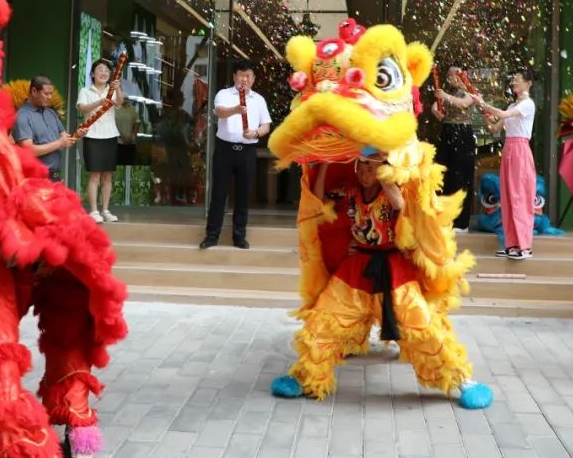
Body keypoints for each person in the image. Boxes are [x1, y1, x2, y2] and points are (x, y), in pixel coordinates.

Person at [270, 154, 492, 409]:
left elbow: (401, 206)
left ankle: (462, 379)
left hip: (394, 272)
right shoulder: (350, 191)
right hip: (355, 270)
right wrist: (324, 165)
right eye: (361, 165)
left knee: (421, 326)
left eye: (371, 166)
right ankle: (304, 376)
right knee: (323, 320)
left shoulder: (393, 191)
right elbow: (319, 201)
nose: (365, 172)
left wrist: (384, 162)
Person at [200, 59, 271, 250]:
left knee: (243, 195)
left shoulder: (259, 99)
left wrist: (255, 133)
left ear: (253, 79)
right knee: (219, 193)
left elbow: (266, 125)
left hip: (247, 151)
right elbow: (219, 112)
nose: (244, 79)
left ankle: (239, 236)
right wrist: (236, 110)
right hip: (225, 150)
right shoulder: (224, 94)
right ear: (234, 77)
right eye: (240, 75)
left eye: (248, 76)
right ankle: (212, 235)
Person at [479, 69, 537, 260]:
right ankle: (511, 244)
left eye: (517, 80)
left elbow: (503, 114)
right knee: (508, 197)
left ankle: (524, 247)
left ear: (528, 83)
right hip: (509, 149)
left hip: (520, 149)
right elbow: (495, 128)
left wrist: (483, 103)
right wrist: (486, 114)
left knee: (520, 196)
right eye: (513, 80)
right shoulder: (512, 104)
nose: (514, 83)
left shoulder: (528, 104)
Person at [432, 65, 478, 232]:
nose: (453, 77)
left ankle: (461, 222)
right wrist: (436, 110)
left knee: (461, 176)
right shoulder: (448, 92)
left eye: (456, 74)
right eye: (450, 74)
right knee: (443, 173)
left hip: (463, 133)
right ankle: (443, 217)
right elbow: (437, 107)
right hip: (447, 131)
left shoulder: (470, 90)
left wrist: (444, 96)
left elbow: (463, 104)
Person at [77, 60, 123, 223]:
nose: (103, 73)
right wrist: (99, 102)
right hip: (92, 136)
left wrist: (117, 88)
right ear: (92, 74)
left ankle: (106, 210)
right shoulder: (85, 91)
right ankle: (94, 210)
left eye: (106, 71)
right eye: (100, 70)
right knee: (94, 175)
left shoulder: (112, 89)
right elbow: (83, 108)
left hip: (110, 135)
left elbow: (120, 103)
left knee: (108, 175)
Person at [12, 75, 80, 182]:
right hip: (34, 178)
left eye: (51, 94)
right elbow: (28, 150)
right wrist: (59, 143)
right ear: (34, 91)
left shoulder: (51, 113)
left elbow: (65, 141)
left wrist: (78, 134)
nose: (49, 97)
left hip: (55, 175)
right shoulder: (22, 116)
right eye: (46, 93)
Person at [115, 97, 140, 167]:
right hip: (117, 143)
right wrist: (122, 137)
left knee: (130, 164)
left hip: (131, 143)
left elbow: (137, 123)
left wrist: (132, 137)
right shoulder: (113, 109)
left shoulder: (133, 109)